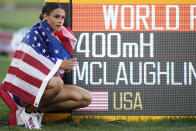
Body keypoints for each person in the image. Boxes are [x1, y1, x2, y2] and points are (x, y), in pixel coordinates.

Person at [1, 3, 92, 129]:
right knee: (57, 83)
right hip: (24, 90)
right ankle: (29, 112)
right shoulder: (34, 33)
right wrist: (60, 63)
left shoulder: (56, 36)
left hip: (44, 88)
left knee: (85, 98)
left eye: (62, 18)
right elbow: (29, 64)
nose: (60, 21)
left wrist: (63, 64)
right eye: (56, 17)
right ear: (45, 16)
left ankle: (35, 111)